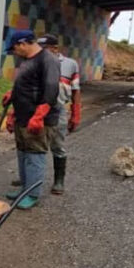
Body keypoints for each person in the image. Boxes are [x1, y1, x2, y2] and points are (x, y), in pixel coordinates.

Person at [2, 30, 59, 209]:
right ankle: (25, 189)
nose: (15, 52)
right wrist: (13, 97)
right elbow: (26, 85)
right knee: (23, 153)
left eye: (14, 49)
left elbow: (51, 89)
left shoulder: (48, 60)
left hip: (38, 118)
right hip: (23, 116)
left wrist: (38, 116)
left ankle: (33, 194)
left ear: (23, 43)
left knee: (34, 155)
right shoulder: (27, 60)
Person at [37, 35, 81, 195]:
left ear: (55, 48)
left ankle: (59, 181)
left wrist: (76, 113)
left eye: (44, 48)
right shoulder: (36, 62)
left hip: (59, 109)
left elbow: (76, 90)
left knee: (57, 146)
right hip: (37, 109)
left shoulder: (70, 64)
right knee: (35, 145)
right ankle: (30, 178)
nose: (39, 51)